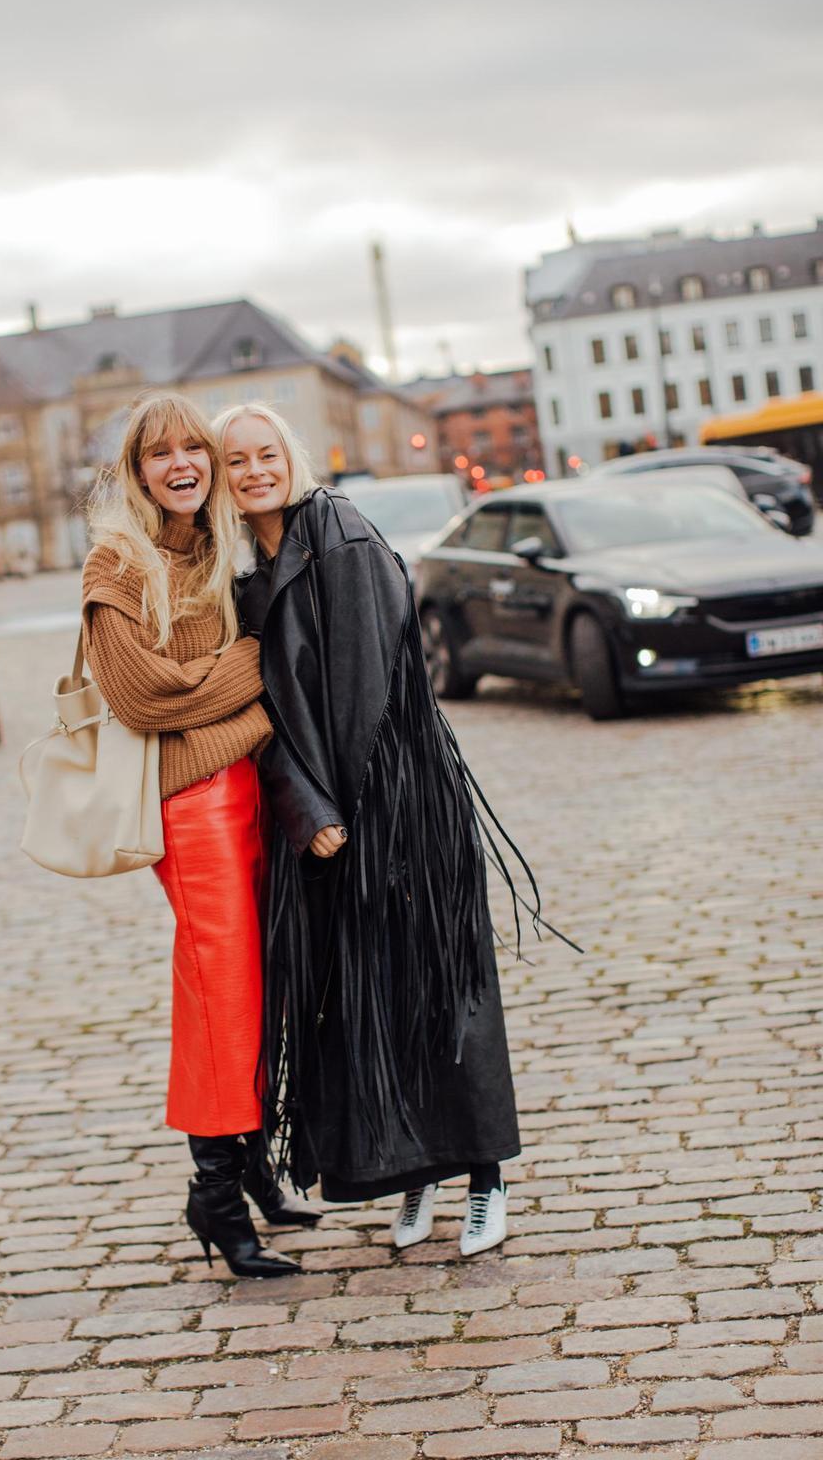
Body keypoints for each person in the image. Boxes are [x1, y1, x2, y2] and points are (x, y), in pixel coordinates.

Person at [216, 402, 557, 1257]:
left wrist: (349, 815)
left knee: (440, 987)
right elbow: (265, 710)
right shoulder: (242, 565)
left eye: (267, 452)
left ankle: (484, 1177)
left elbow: (369, 695)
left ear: (289, 456)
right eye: (237, 461)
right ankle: (414, 1171)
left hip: (395, 807)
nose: (255, 469)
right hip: (328, 815)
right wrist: (307, 810)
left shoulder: (339, 534)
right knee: (365, 998)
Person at [82, 394, 318, 1280]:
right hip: (191, 805)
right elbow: (144, 697)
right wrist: (249, 665)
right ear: (136, 470)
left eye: (195, 449)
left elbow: (198, 682)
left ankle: (251, 1163)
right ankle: (214, 1191)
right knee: (220, 987)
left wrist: (208, 678)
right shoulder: (117, 563)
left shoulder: (222, 548)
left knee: (259, 977)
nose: (181, 462)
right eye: (160, 452)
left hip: (252, 791)